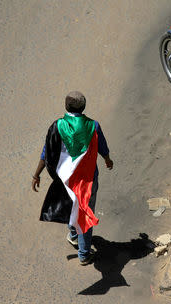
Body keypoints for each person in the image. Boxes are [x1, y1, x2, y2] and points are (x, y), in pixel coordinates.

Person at [32, 91, 113, 265]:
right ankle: (84, 254)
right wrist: (107, 159)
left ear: (66, 106)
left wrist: (37, 174)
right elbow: (102, 147)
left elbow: (46, 152)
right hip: (88, 180)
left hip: (66, 179)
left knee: (72, 204)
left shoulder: (58, 125)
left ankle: (74, 234)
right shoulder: (93, 126)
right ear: (84, 107)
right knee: (84, 211)